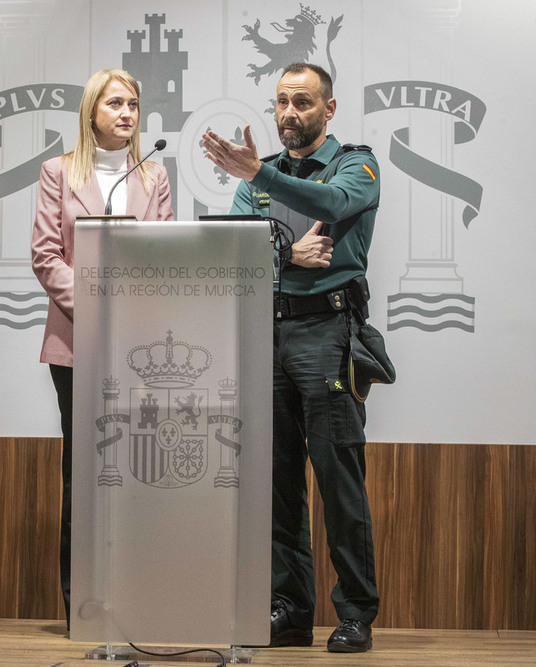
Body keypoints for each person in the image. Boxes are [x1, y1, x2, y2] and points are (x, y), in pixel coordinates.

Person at [202, 62, 380, 653]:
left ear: (328, 109)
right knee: (277, 483)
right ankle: (291, 609)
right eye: (281, 102)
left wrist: (261, 182)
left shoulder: (355, 163)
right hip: (269, 332)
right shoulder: (262, 175)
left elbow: (330, 201)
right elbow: (233, 250)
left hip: (329, 332)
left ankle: (354, 613)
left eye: (303, 102)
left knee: (338, 481)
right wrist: (283, 255)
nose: (289, 113)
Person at [30, 68, 174, 629]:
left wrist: (130, 317)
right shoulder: (57, 172)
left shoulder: (154, 173)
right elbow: (47, 256)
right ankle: (81, 604)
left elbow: (160, 255)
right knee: (84, 474)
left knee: (135, 472)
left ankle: (137, 596)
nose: (127, 113)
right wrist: (99, 309)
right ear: (92, 112)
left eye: (134, 104)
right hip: (78, 346)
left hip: (138, 351)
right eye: (115, 103)